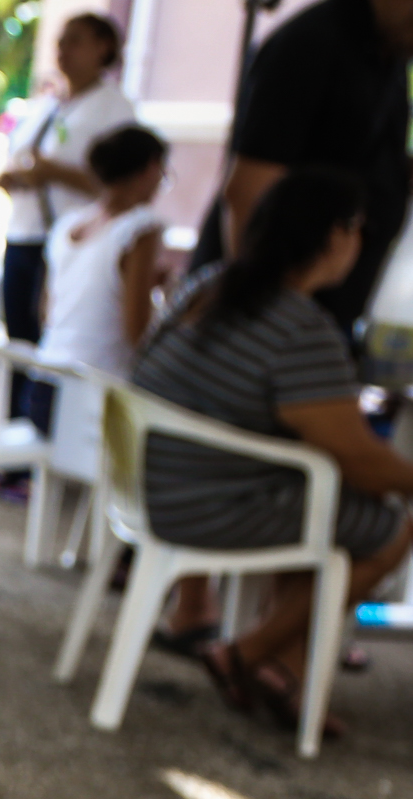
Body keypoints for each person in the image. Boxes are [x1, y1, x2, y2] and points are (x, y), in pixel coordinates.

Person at [136, 169, 413, 737]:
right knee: (390, 528)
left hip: (150, 481)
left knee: (327, 504)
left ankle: (283, 671)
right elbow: (360, 457)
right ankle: (247, 653)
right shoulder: (298, 326)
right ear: (337, 237)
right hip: (206, 504)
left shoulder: (209, 284)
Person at [189, 0, 413, 337]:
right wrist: (260, 320)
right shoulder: (313, 43)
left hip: (316, 315)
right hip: (264, 319)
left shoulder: (389, 58)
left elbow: (370, 168)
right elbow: (248, 191)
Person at [0, 11, 135, 422]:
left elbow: (117, 183)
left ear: (103, 48)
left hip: (68, 242)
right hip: (24, 233)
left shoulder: (112, 108)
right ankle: (15, 437)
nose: (63, 51)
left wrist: (54, 173)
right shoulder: (46, 106)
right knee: (18, 340)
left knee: (50, 342)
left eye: (75, 41)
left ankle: (43, 434)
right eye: (61, 41)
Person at [37, 124, 168, 382]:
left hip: (48, 370)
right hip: (97, 382)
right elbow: (137, 332)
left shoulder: (68, 225)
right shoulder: (140, 228)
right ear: (152, 168)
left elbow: (48, 312)